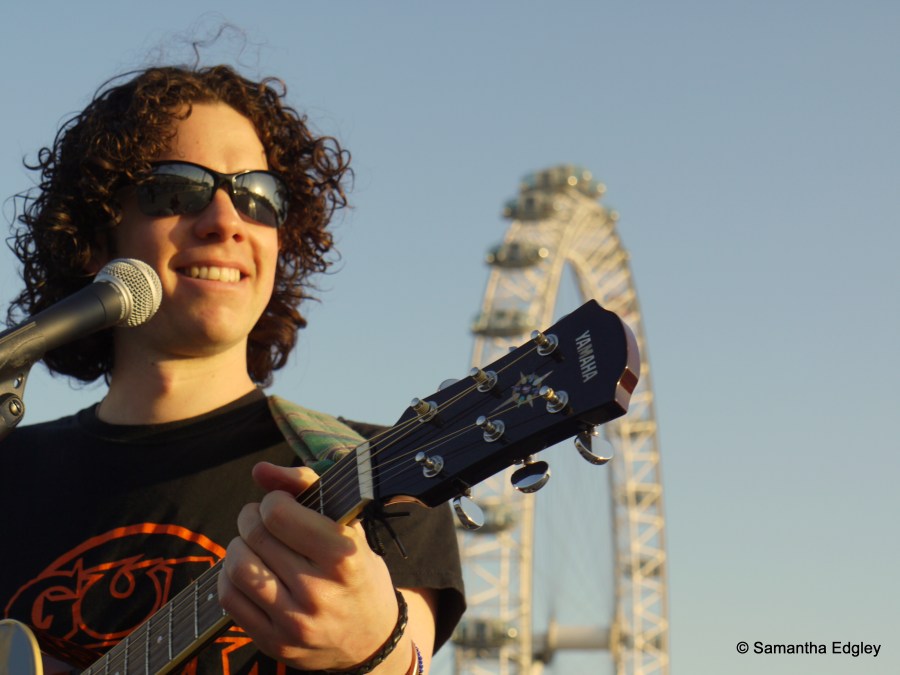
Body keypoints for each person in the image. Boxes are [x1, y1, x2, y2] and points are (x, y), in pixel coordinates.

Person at [0, 63, 465, 674]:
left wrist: (374, 645)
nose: (225, 221)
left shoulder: (377, 469)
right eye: (175, 190)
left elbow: (407, 660)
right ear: (91, 237)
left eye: (258, 197)